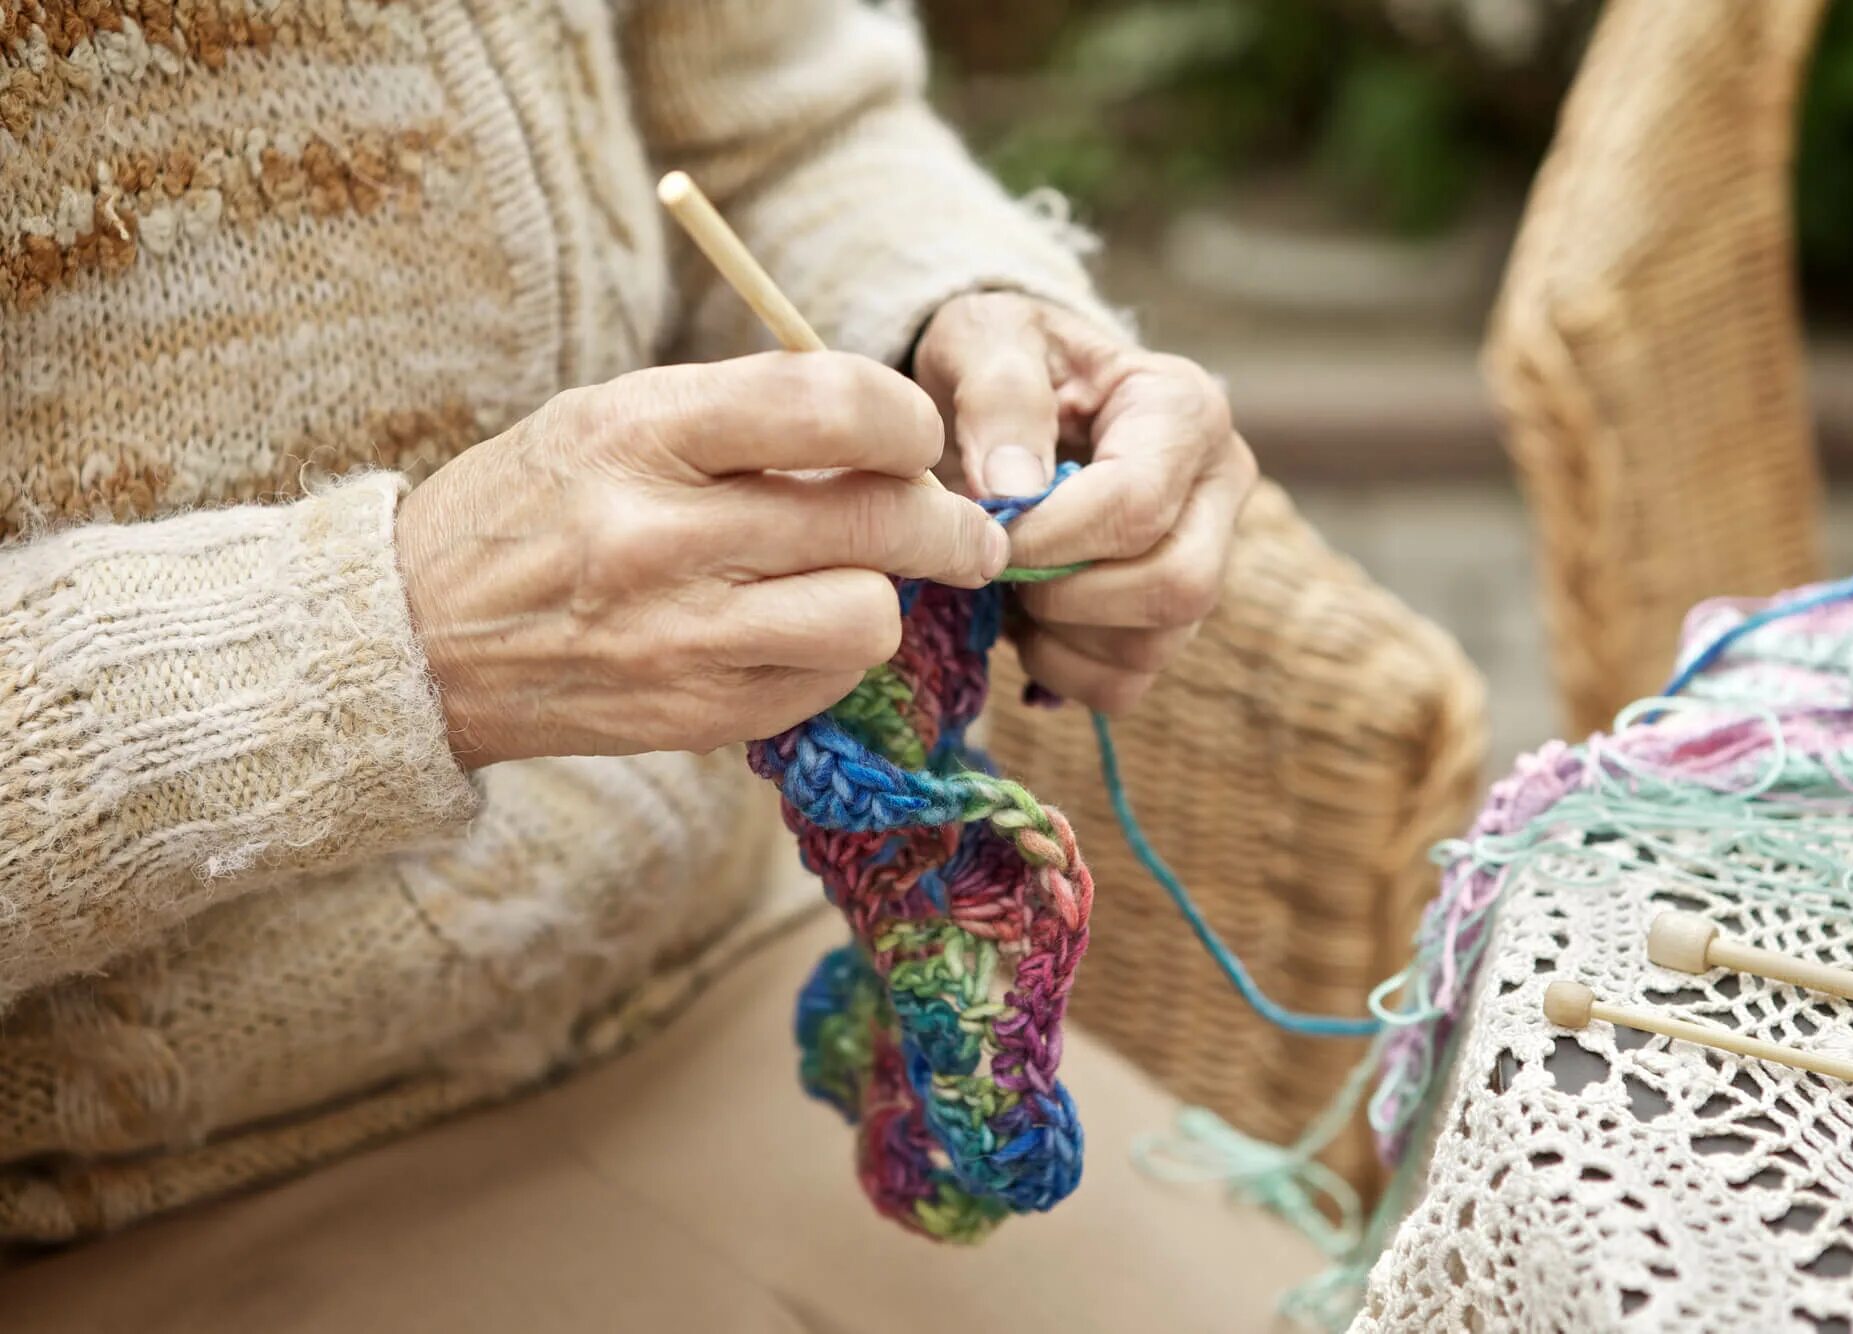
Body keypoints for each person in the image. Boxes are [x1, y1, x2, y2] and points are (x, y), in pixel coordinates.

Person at [0, 0, 1302, 1326]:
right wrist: (381, 641)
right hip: (116, 1191)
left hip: (723, 942)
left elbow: (787, 134)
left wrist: (958, 318)